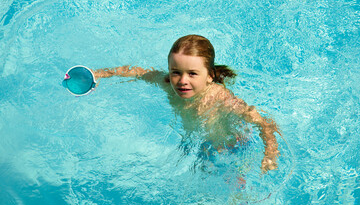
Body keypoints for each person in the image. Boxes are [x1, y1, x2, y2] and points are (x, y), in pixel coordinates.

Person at [93, 34, 280, 173]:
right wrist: (100, 74)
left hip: (230, 146)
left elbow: (264, 122)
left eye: (192, 73)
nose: (182, 80)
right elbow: (137, 72)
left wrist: (270, 154)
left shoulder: (220, 98)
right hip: (201, 140)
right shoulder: (166, 82)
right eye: (176, 72)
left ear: (210, 76)